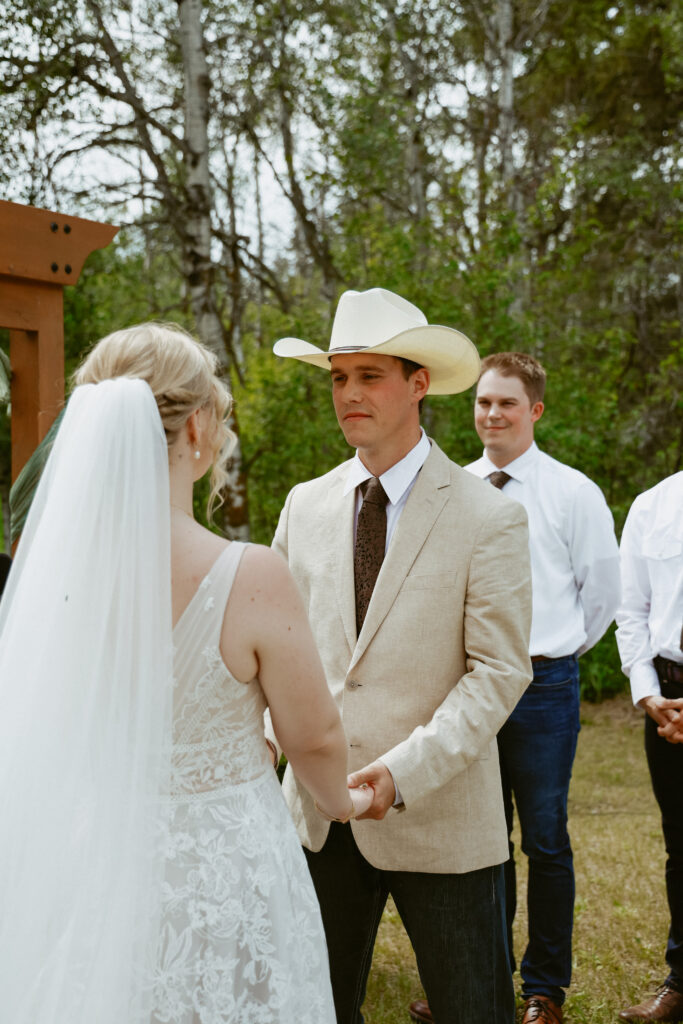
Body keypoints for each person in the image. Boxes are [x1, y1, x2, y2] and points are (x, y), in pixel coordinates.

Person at [0, 322, 371, 1024]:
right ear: (196, 426)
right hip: (221, 868)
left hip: (92, 855)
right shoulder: (248, 573)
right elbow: (314, 734)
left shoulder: (52, 578)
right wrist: (337, 801)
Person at [270, 287, 533, 1024]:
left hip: (442, 813)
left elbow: (499, 671)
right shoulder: (304, 504)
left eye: (369, 375)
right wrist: (262, 748)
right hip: (317, 817)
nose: (348, 394)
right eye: (336, 378)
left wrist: (400, 772)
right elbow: (277, 655)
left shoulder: (489, 515)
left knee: (471, 1010)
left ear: (418, 383)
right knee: (313, 1010)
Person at [415, 351, 618, 1024]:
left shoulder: (572, 493)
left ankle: (543, 990)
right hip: (468, 683)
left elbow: (600, 599)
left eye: (505, 402)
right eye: (481, 402)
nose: (491, 413)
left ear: (533, 410)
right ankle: (479, 975)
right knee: (477, 839)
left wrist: (548, 654)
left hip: (542, 685)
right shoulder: (453, 489)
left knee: (544, 840)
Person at [616, 471, 683, 1023]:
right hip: (668, 696)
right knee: (681, 846)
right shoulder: (653, 503)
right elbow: (631, 607)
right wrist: (647, 693)